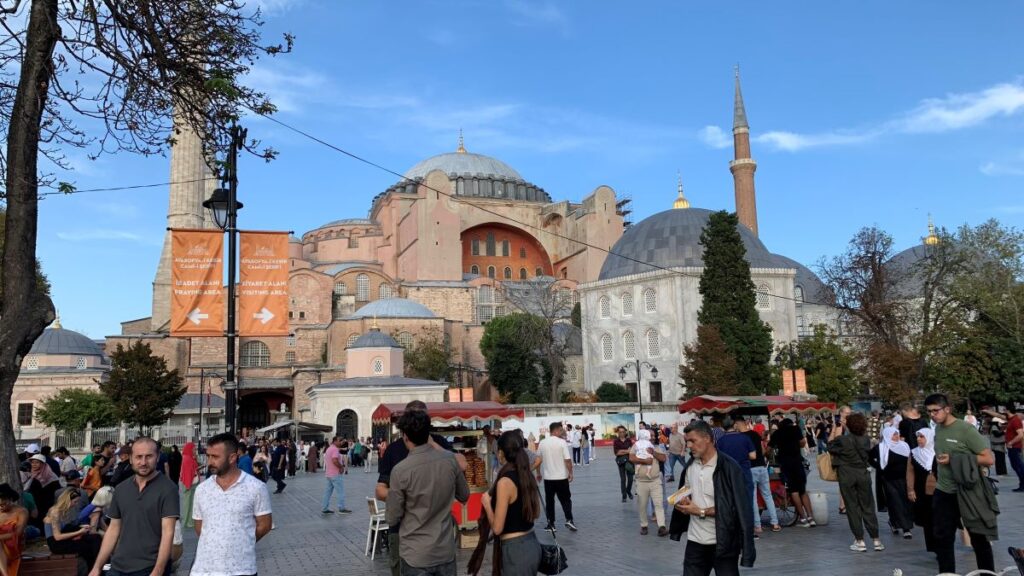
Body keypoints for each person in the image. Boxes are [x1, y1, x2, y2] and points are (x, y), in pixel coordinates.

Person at [376, 401, 468, 576]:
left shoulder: (401, 470)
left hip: (415, 553)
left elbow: (392, 516)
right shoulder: (448, 459)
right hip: (443, 548)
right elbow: (464, 495)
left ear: (405, 435)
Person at [668, 419, 756, 576]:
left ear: (707, 439)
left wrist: (700, 511)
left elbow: (738, 508)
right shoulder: (690, 466)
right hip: (695, 542)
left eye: (692, 441)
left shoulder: (729, 468)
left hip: (723, 543)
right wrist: (683, 502)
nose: (688, 446)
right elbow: (686, 491)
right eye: (687, 441)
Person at [926, 393, 998, 575]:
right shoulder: (939, 430)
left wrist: (954, 459)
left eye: (936, 410)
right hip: (944, 491)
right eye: (929, 412)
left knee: (978, 537)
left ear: (947, 409)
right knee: (942, 537)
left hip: (967, 491)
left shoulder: (965, 430)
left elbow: (988, 459)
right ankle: (947, 573)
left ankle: (987, 573)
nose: (932, 415)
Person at [88, 438, 179, 576]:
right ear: (130, 459)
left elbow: (168, 532)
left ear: (157, 457)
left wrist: (158, 571)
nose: (143, 462)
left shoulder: (168, 489)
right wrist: (97, 567)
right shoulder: (121, 489)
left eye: (149, 456)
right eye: (138, 457)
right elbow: (113, 529)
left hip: (150, 567)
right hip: (118, 566)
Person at [191, 433, 272, 576]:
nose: (209, 462)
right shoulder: (202, 490)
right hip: (204, 570)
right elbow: (200, 528)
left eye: (215, 457)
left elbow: (264, 525)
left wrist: (242, 540)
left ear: (232, 458)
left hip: (242, 569)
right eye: (208, 456)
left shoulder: (256, 487)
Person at [472, 431, 543, 576]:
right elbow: (536, 512)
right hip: (532, 543)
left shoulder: (505, 482)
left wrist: (486, 503)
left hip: (515, 550)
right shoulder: (526, 474)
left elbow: (497, 528)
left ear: (500, 453)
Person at [828, 412, 884, 552]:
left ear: (849, 425)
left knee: (852, 507)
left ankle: (860, 541)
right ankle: (876, 540)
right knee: (868, 505)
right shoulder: (865, 439)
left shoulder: (842, 439)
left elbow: (829, 446)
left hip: (847, 475)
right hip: (863, 474)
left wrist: (837, 430)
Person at [768, 418, 815, 527]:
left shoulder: (777, 433)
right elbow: (803, 443)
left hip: (785, 464)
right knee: (803, 491)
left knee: (794, 491)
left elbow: (769, 449)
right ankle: (811, 517)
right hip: (797, 462)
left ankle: (803, 518)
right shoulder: (795, 429)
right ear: (790, 423)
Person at [737, 418, 780, 535]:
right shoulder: (755, 434)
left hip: (750, 469)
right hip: (762, 467)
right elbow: (762, 450)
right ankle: (775, 523)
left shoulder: (741, 437)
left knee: (753, 498)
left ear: (737, 424)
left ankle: (757, 526)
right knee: (768, 495)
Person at [869, 426, 913, 539]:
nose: (896, 436)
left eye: (897, 434)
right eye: (894, 434)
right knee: (895, 502)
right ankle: (905, 528)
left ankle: (895, 522)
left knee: (904, 502)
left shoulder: (904, 446)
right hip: (888, 480)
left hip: (903, 479)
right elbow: (869, 457)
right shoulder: (881, 447)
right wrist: (879, 467)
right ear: (888, 435)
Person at [715, 418, 756, 538]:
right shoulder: (745, 438)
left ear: (723, 427)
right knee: (747, 502)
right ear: (734, 425)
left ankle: (733, 530)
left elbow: (718, 459)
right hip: (744, 473)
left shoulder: (721, 441)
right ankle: (749, 531)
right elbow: (753, 455)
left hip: (728, 475)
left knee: (730, 502)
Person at [534, 422, 576, 532]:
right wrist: (570, 473)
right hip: (561, 477)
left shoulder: (542, 443)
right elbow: (567, 460)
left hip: (548, 478)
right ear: (556, 430)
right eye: (561, 430)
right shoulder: (562, 442)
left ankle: (551, 524)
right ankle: (569, 520)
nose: (562, 432)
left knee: (550, 502)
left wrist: (538, 473)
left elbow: (538, 460)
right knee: (566, 500)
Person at [44, 488, 102, 568]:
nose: (76, 504)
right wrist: (79, 532)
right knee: (86, 547)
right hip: (56, 544)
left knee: (95, 537)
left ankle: (97, 567)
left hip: (62, 539)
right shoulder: (55, 512)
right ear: (67, 500)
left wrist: (81, 527)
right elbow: (57, 537)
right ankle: (93, 569)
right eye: (75, 502)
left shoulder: (63, 511)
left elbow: (66, 527)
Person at [630, 429, 668, 536]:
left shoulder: (657, 447)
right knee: (642, 505)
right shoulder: (636, 446)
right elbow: (631, 457)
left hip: (655, 481)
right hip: (641, 482)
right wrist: (644, 461)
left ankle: (662, 526)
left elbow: (664, 458)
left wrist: (653, 452)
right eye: (651, 435)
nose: (653, 437)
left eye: (653, 435)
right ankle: (644, 526)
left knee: (658, 504)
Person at [906, 428, 937, 553]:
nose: (918, 439)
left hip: (939, 491)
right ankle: (933, 547)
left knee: (939, 519)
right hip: (922, 492)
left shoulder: (938, 451)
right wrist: (910, 490)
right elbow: (910, 472)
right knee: (927, 520)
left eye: (922, 437)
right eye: (917, 437)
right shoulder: (914, 453)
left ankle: (942, 545)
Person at [23, 454, 59, 526]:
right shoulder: (31, 474)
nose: (34, 465)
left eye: (37, 462)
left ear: (42, 464)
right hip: (35, 502)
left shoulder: (50, 475)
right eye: (32, 462)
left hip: (47, 503)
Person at [0, 484, 28, 576]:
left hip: (13, 544)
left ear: (11, 499)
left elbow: (18, 533)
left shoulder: (21, 511)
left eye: (3, 504)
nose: (1, 507)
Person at [322, 436, 352, 514]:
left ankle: (324, 508)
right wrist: (341, 467)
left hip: (329, 474)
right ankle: (341, 508)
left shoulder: (329, 448)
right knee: (340, 492)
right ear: (335, 441)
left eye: (342, 441)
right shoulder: (335, 449)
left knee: (327, 492)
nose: (341, 442)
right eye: (339, 441)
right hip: (335, 474)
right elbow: (334, 460)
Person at [179, 442, 200, 529]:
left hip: (190, 483)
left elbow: (192, 470)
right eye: (194, 449)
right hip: (188, 484)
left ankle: (189, 522)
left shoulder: (189, 458)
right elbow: (187, 473)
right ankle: (186, 522)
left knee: (190, 503)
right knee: (187, 504)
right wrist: (187, 485)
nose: (195, 451)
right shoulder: (187, 459)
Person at [613, 426, 635, 502]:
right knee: (623, 479)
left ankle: (628, 490)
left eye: (623, 432)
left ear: (625, 432)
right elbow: (617, 453)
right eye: (620, 432)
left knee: (631, 479)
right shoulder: (616, 441)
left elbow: (632, 451)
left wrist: (622, 451)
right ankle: (624, 495)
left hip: (629, 462)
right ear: (618, 433)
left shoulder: (629, 440)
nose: (622, 433)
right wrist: (627, 451)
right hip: (621, 462)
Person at [1006, 405, 1024, 492]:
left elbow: (1020, 435)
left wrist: (1011, 442)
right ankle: (1022, 484)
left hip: (1015, 447)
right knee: (1016, 466)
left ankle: (1023, 485)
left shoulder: (1015, 420)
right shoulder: (1011, 420)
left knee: (1019, 466)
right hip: (1012, 447)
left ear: (1008, 410)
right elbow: (998, 416)